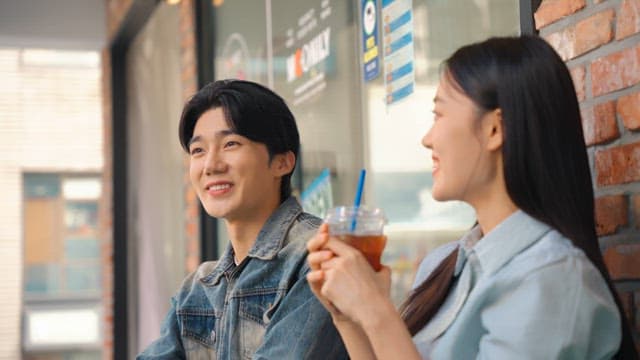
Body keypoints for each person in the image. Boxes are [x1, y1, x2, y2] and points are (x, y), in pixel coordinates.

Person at [307, 35, 638, 359]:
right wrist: (348, 316)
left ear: (495, 129)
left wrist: (376, 311)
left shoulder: (553, 278)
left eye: (438, 115)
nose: (427, 138)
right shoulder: (445, 263)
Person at [138, 79, 347, 359]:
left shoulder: (318, 258)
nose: (211, 165)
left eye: (231, 144)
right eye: (198, 150)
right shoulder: (197, 290)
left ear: (282, 162)